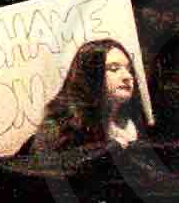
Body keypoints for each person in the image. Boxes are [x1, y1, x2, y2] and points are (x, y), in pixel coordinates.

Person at [20, 36, 155, 166]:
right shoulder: (64, 124)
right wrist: (107, 150)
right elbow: (49, 169)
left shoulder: (133, 121)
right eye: (114, 69)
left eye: (129, 69)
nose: (127, 76)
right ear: (90, 74)